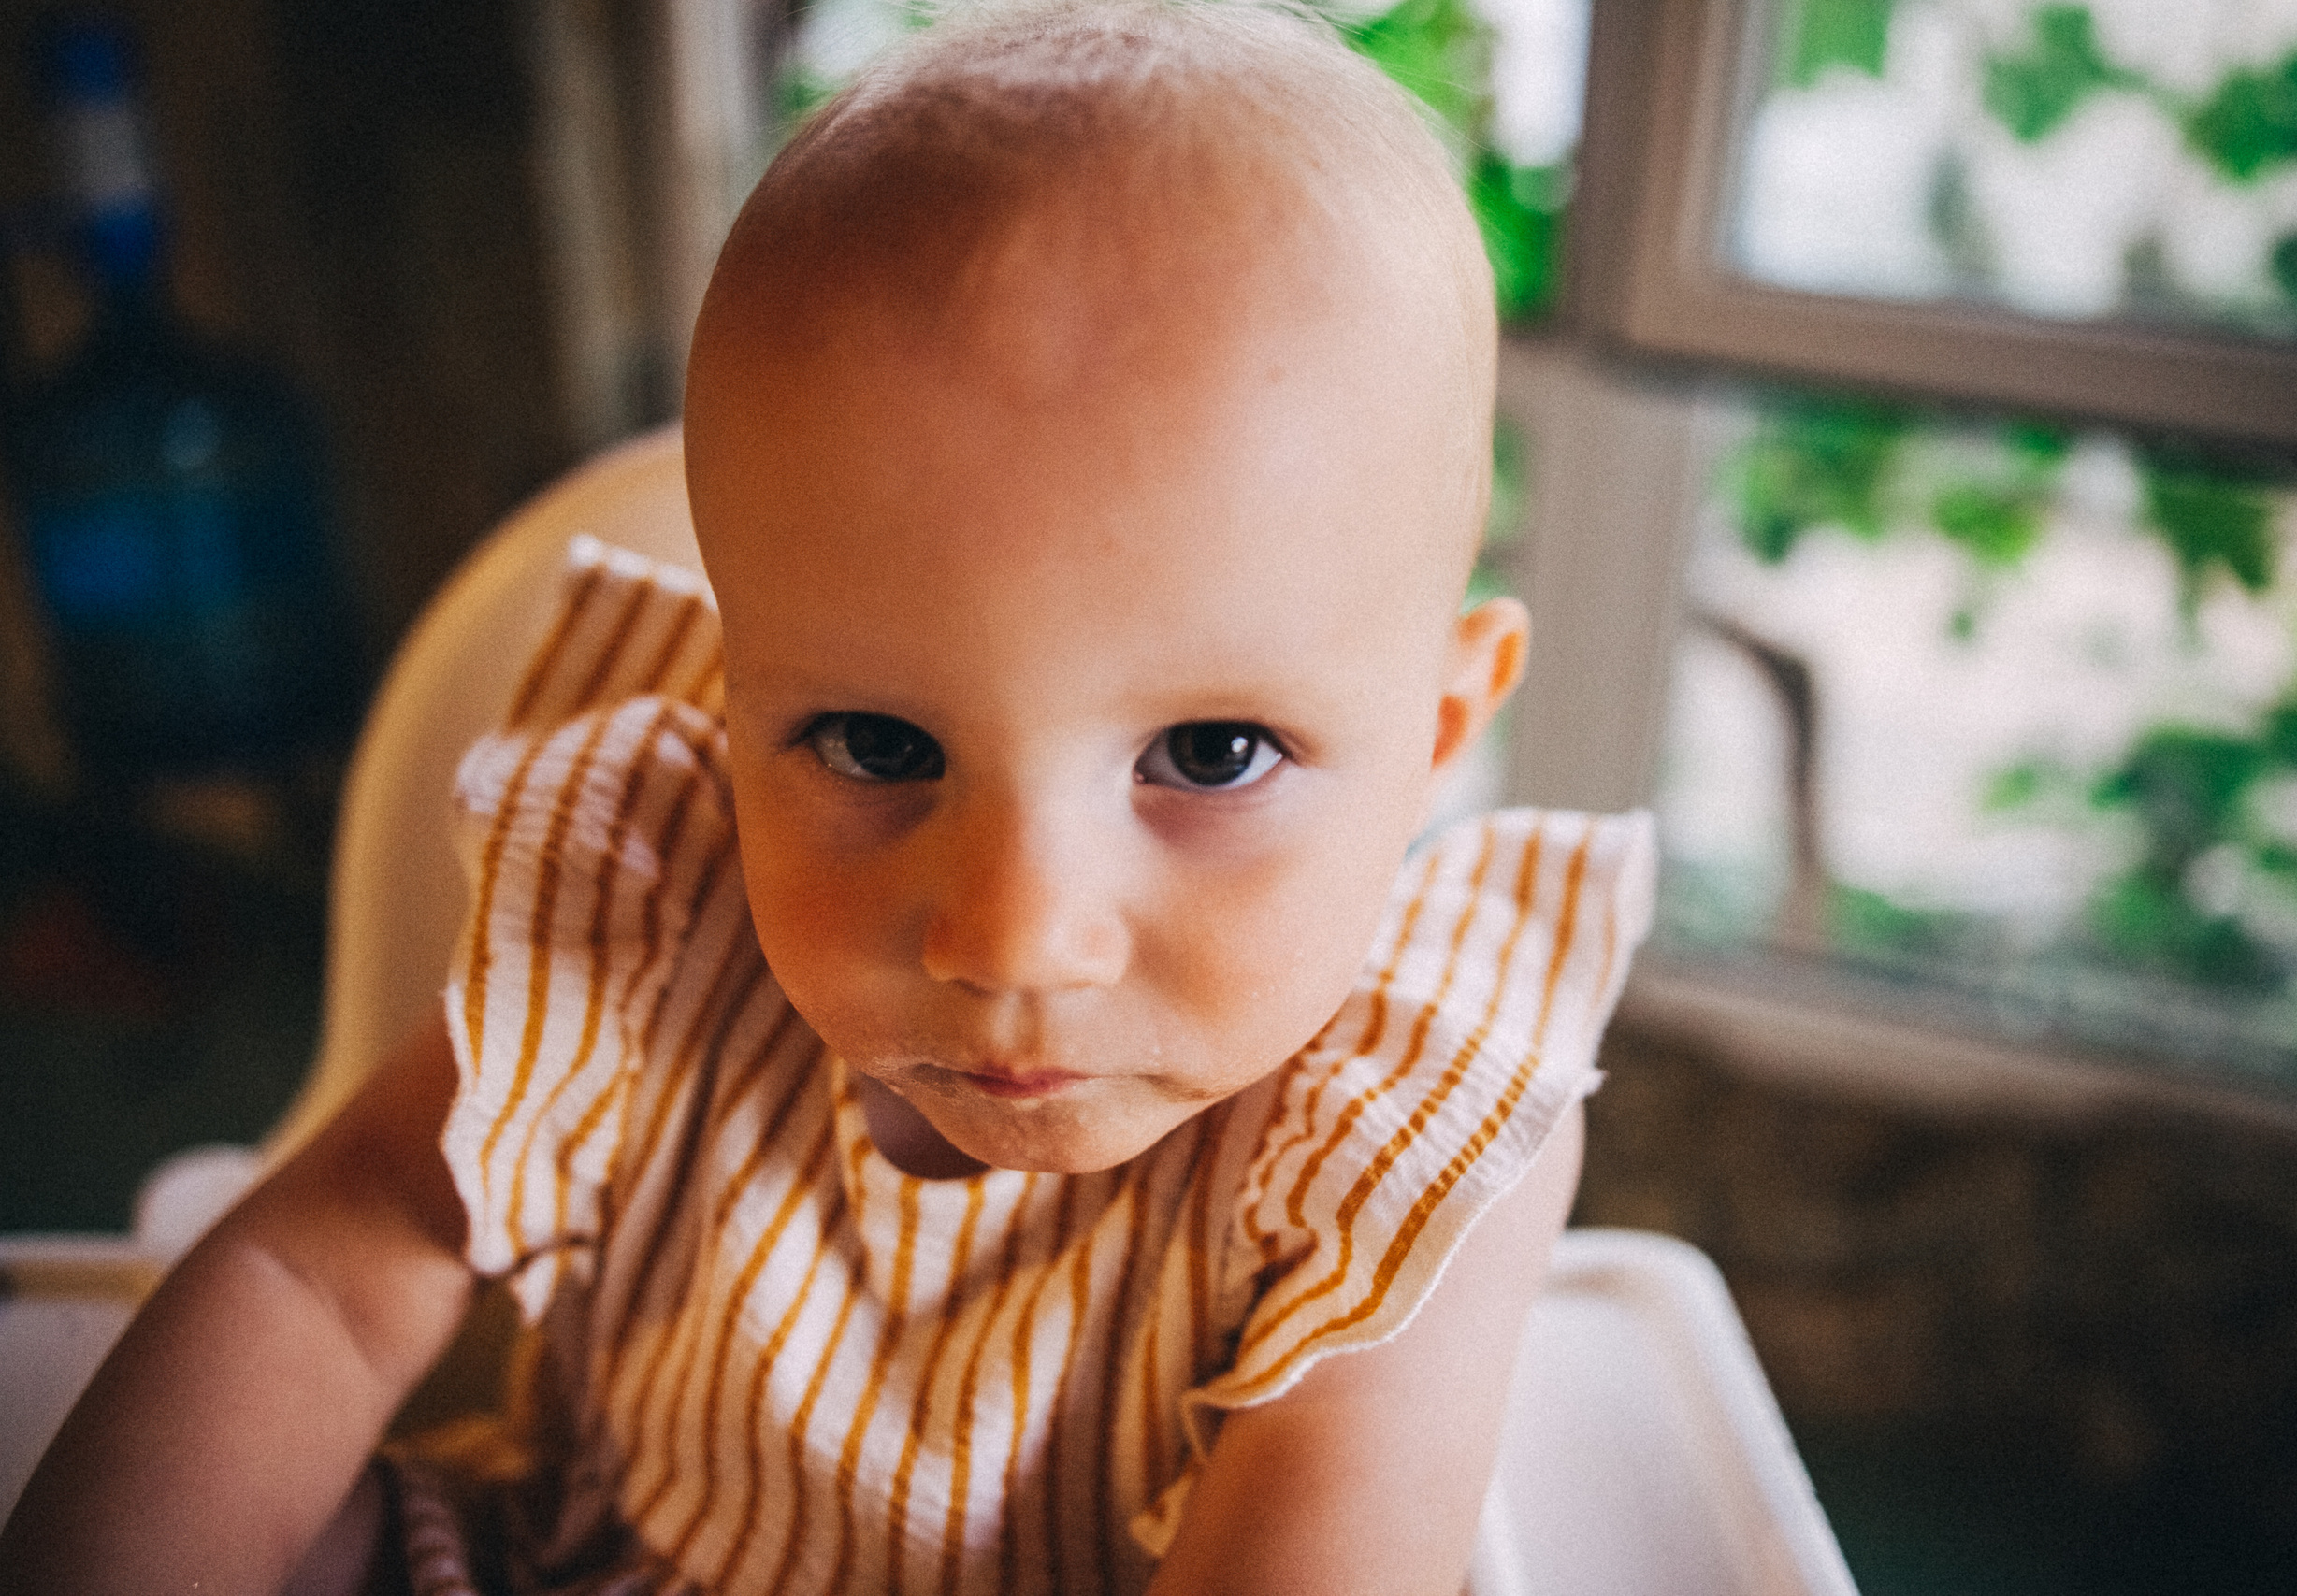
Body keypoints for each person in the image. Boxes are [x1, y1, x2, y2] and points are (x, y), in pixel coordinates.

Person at [0, 3, 1653, 1591]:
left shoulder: (1409, 1116)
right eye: (877, 744)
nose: (1014, 932)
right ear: (736, 692)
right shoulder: (654, 911)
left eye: (1209, 754)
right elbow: (313, 1278)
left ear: (1439, 735)